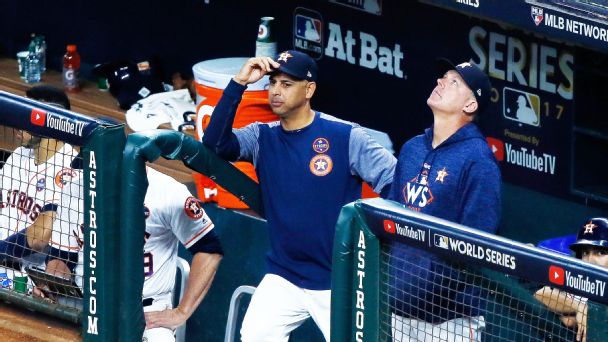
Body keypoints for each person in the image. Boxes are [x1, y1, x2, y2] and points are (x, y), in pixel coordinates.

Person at [202, 50, 396, 341]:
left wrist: (374, 236)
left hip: (338, 280)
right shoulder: (261, 136)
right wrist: (239, 82)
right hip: (285, 274)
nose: (276, 91)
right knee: (254, 335)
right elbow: (215, 144)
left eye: (287, 84)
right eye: (273, 83)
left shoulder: (344, 136)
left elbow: (396, 183)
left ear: (309, 89)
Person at [40, 166, 223, 342]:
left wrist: (181, 313)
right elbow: (61, 257)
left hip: (146, 316)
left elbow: (210, 250)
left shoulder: (168, 192)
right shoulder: (76, 188)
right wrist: (51, 284)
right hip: (84, 306)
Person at [388, 59, 501, 341]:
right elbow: (388, 218)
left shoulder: (479, 161)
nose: (440, 81)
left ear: (470, 106)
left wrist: (429, 289)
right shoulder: (412, 148)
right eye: (442, 77)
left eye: (453, 82)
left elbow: (477, 246)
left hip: (450, 321)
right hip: (400, 310)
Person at [0, 85, 79, 264]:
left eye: (26, 114)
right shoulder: (19, 154)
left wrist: (2, 251)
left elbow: (39, 236)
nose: (17, 121)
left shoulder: (70, 170)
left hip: (29, 277)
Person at [535, 217, 608, 342]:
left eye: (600, 253)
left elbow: (571, 322)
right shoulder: (580, 277)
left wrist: (574, 317)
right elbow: (541, 294)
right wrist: (579, 307)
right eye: (585, 252)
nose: (590, 260)